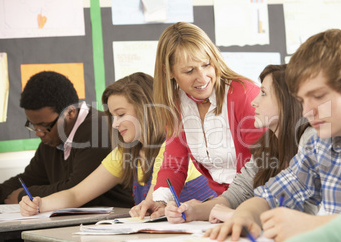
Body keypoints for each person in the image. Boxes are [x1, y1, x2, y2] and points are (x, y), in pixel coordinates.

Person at [205, 28, 341, 242]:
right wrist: (243, 216)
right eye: (303, 100)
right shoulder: (320, 143)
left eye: (318, 96)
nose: (306, 112)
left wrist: (310, 226)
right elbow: (270, 196)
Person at [19, 72, 216, 217]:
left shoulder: (174, 147)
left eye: (121, 114)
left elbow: (156, 198)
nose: (114, 124)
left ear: (147, 110)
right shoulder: (126, 153)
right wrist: (38, 204)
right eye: (113, 116)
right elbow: (76, 194)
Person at [132, 22, 265, 218]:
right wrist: (160, 200)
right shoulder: (176, 104)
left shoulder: (243, 94)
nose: (202, 77)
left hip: (256, 203)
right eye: (189, 71)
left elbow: (264, 165)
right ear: (168, 71)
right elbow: (173, 164)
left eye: (206, 65)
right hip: (220, 208)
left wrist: (212, 208)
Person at [165, 64, 316, 224]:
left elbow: (301, 211)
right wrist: (192, 211)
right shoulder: (269, 144)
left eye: (263, 93)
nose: (254, 102)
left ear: (286, 100)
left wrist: (238, 215)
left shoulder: (312, 139)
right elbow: (237, 195)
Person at [0, 71, 133, 207]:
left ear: (70, 112)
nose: (39, 133)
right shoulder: (53, 138)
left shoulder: (99, 130)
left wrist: (24, 195)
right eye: (33, 126)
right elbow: (29, 178)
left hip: (116, 220)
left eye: (44, 126)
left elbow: (77, 191)